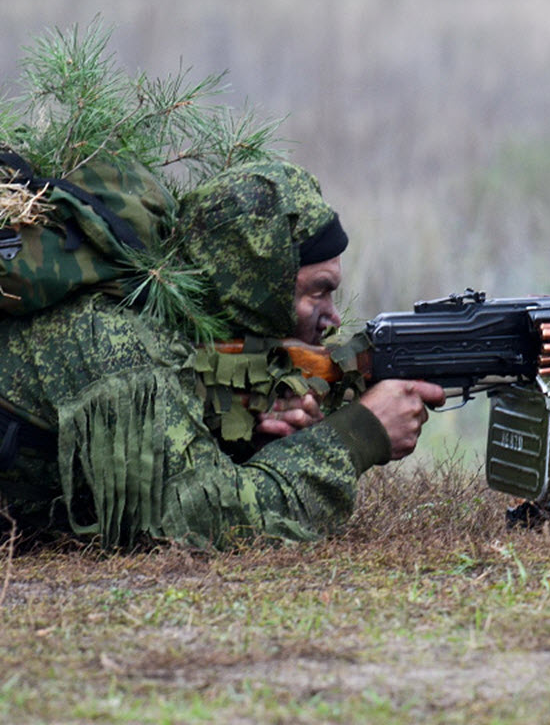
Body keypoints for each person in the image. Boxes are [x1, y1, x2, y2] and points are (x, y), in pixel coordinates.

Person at [0, 160, 445, 549]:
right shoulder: (119, 342)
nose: (332, 319)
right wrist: (357, 436)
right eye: (318, 292)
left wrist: (243, 443)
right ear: (258, 289)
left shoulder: (166, 328)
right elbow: (201, 520)